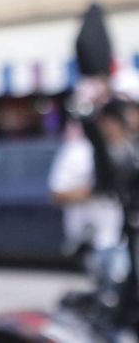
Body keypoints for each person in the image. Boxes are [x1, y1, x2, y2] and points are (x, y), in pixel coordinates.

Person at [50, 76, 139, 266]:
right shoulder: (79, 151)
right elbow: (56, 194)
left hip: (126, 236)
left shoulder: (128, 149)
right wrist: (95, 190)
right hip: (98, 241)